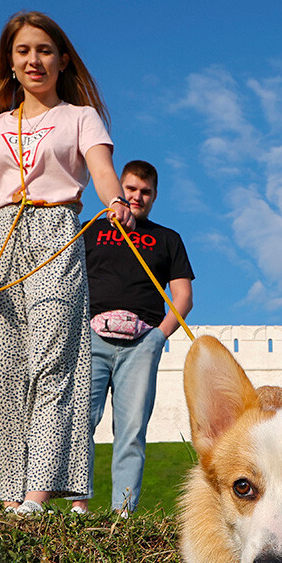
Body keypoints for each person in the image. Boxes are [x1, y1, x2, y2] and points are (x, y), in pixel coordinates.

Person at [0, 11, 133, 516]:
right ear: (10, 64)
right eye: (23, 51)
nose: (33, 60)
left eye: (43, 50)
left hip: (58, 234)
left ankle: (38, 493)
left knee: (53, 362)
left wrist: (116, 201)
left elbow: (102, 169)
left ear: (61, 60)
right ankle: (9, 493)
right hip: (4, 244)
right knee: (1, 367)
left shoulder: (81, 117)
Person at [85, 160, 194, 514]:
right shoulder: (92, 230)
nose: (137, 197)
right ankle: (77, 508)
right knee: (80, 421)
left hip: (141, 342)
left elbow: (183, 298)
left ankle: (122, 514)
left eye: (145, 192)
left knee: (131, 431)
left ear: (155, 196)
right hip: (93, 339)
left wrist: (157, 339)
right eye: (130, 189)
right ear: (119, 188)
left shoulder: (167, 239)